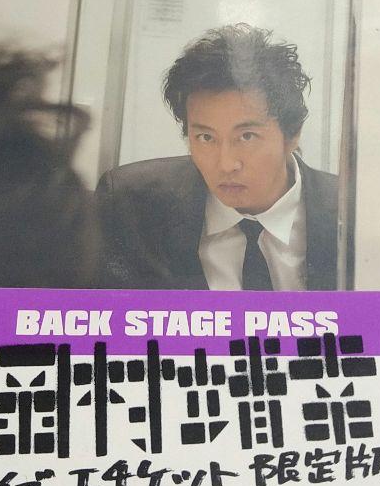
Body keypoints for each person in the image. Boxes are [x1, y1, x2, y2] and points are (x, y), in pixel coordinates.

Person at [97, 24, 339, 291]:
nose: (226, 164)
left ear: (292, 134)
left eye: (247, 136)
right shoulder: (131, 206)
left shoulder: (350, 210)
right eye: (206, 137)